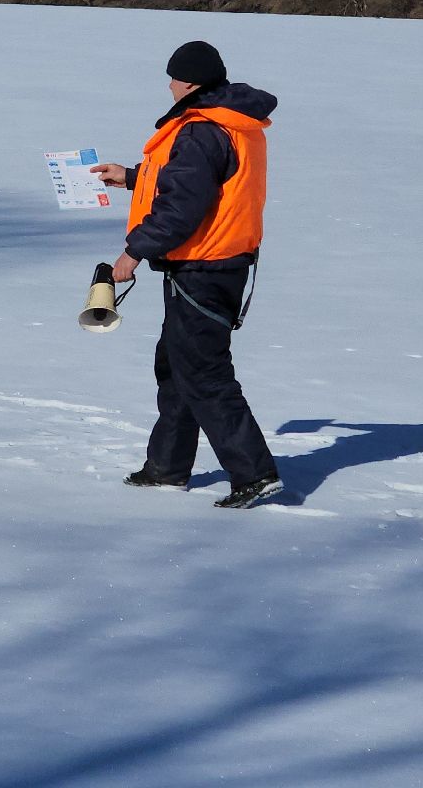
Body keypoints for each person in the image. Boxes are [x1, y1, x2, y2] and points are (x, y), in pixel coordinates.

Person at [91, 40, 283, 509]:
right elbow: (198, 183)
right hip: (221, 262)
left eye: (173, 77)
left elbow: (184, 206)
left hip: (203, 266)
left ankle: (255, 474)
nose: (169, 85)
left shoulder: (201, 130)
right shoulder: (233, 123)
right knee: (176, 365)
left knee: (203, 371)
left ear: (191, 83)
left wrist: (134, 252)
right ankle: (167, 468)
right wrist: (134, 176)